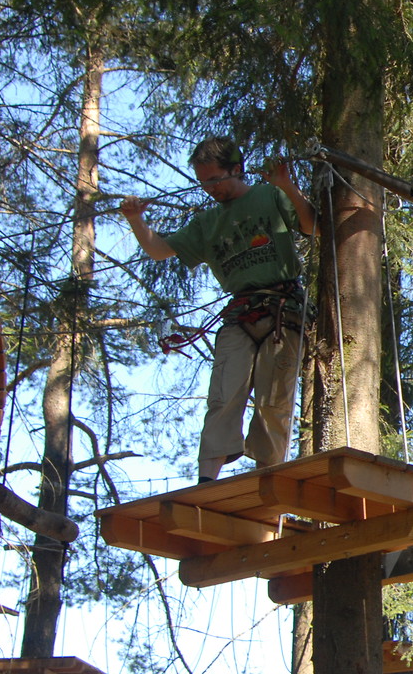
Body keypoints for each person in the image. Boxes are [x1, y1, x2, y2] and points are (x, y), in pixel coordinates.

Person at [121, 137, 316, 483]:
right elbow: (159, 249)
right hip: (240, 313)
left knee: (275, 401)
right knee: (223, 395)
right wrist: (136, 220)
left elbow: (311, 224)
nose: (210, 189)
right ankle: (206, 481)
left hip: (282, 309)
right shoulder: (206, 222)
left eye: (215, 179)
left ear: (236, 169)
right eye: (203, 183)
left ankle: (269, 480)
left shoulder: (268, 196)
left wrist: (286, 185)